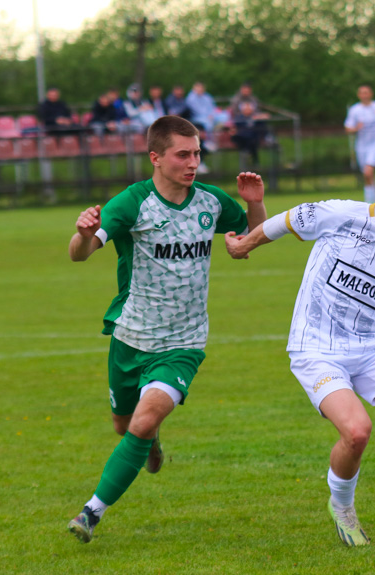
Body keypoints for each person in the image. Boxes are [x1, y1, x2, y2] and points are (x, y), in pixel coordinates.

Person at [225, 158, 375, 547]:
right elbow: (289, 219)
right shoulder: (341, 214)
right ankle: (342, 507)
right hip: (317, 349)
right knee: (357, 431)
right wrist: (244, 244)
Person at [65, 115, 267, 543]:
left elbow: (250, 237)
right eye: (183, 154)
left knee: (141, 421)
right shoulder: (132, 202)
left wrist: (253, 205)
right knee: (126, 427)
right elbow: (79, 255)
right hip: (131, 336)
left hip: (183, 342)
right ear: (156, 157)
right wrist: (82, 234)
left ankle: (90, 513)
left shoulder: (211, 201)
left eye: (197, 153)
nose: (193, 162)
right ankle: (151, 441)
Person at [344, 84, 375, 204]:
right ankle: (373, 201)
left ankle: (370, 202)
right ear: (359, 95)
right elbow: (348, 128)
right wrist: (356, 128)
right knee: (367, 175)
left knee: (368, 171)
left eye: (367, 92)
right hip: (361, 145)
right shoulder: (355, 110)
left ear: (371, 94)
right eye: (362, 92)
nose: (365, 95)